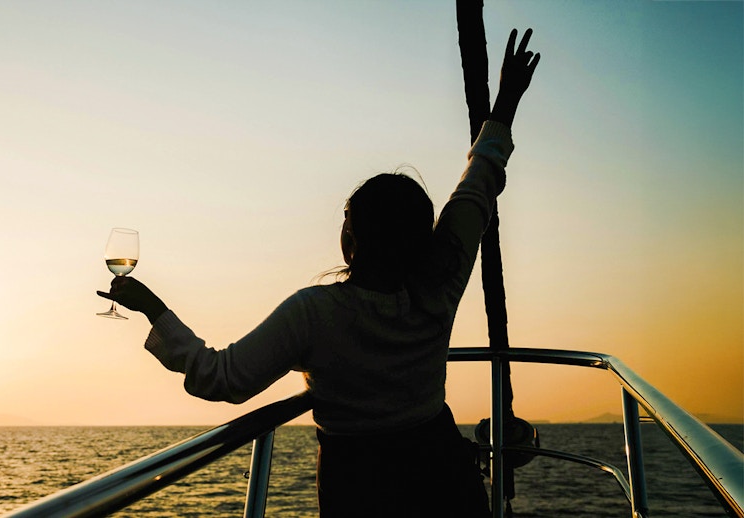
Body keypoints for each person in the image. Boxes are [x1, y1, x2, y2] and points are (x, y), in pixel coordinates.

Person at [98, 28, 540, 518]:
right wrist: (506, 103)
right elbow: (480, 181)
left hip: (360, 486)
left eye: (347, 219)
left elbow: (220, 378)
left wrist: (152, 308)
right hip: (440, 474)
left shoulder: (313, 314)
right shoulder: (441, 281)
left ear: (352, 241)